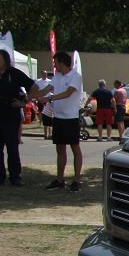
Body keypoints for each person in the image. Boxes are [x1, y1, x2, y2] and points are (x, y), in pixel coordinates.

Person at [0, 50, 42, 186]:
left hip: (10, 115)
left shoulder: (14, 73)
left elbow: (34, 87)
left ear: (6, 60)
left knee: (12, 148)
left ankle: (15, 177)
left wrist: (25, 101)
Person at [33, 51, 84, 192]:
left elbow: (68, 93)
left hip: (71, 119)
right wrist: (31, 95)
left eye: (55, 63)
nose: (54, 65)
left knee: (75, 148)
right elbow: (45, 90)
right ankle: (60, 180)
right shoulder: (57, 76)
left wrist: (49, 98)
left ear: (62, 62)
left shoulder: (75, 76)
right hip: (59, 118)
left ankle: (77, 180)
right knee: (60, 149)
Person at [35, 70, 54, 139]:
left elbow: (52, 89)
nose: (45, 75)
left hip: (47, 98)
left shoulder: (49, 81)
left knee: (48, 112)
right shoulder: (38, 81)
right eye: (43, 74)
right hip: (41, 98)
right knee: (41, 111)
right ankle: (41, 122)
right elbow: (36, 90)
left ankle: (49, 133)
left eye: (46, 74)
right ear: (41, 74)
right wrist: (37, 97)